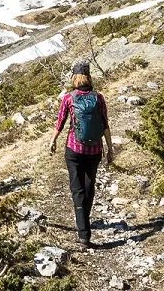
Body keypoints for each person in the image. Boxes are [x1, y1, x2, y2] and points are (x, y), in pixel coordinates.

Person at [50, 72, 113, 247]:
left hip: (74, 149)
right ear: (89, 78)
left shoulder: (69, 98)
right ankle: (84, 219)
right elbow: (105, 124)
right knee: (89, 185)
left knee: (77, 189)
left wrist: (53, 140)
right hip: (94, 150)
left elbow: (61, 122)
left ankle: (83, 233)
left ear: (74, 79)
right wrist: (110, 148)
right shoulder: (99, 98)